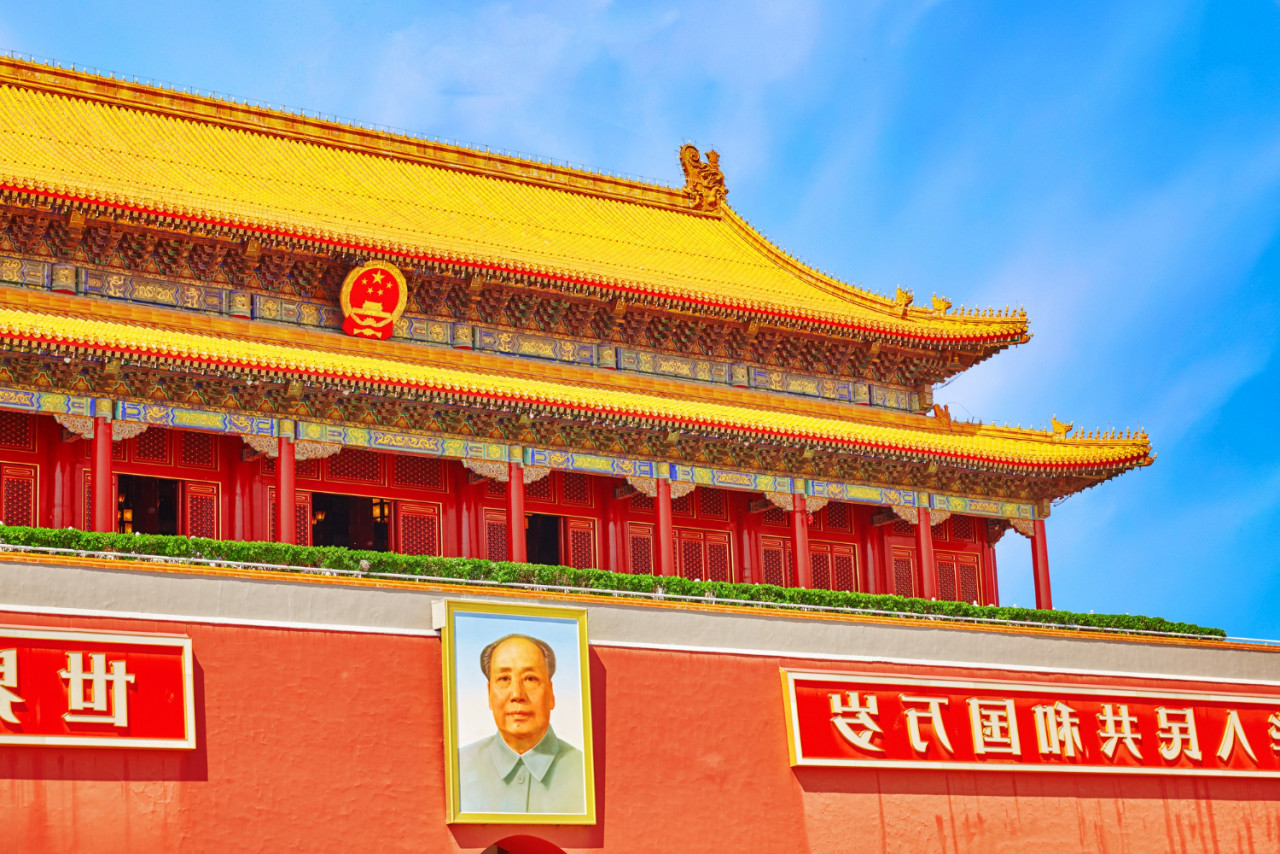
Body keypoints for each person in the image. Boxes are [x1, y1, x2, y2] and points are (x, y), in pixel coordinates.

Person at [457, 633, 586, 814]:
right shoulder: (459, 768)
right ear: (489, 695)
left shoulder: (584, 771)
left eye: (530, 679)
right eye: (504, 679)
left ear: (551, 693)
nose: (517, 694)